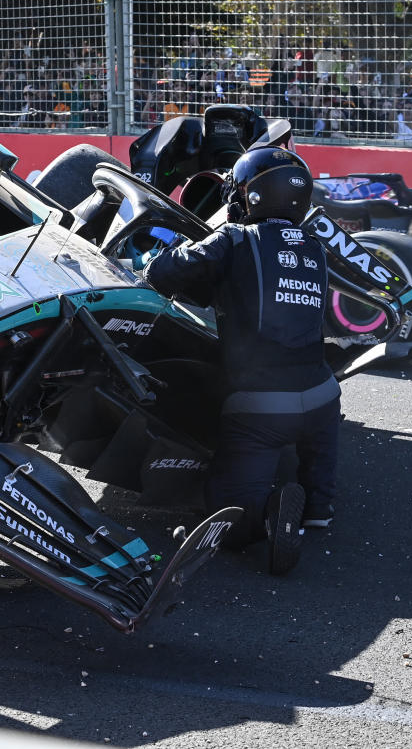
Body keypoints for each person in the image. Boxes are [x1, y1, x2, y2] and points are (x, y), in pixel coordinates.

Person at [143, 147, 340, 575]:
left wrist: (159, 253)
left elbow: (161, 275)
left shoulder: (233, 239)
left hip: (261, 410)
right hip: (324, 398)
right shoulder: (315, 247)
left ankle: (266, 514)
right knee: (319, 453)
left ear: (247, 196)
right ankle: (317, 508)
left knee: (226, 522)